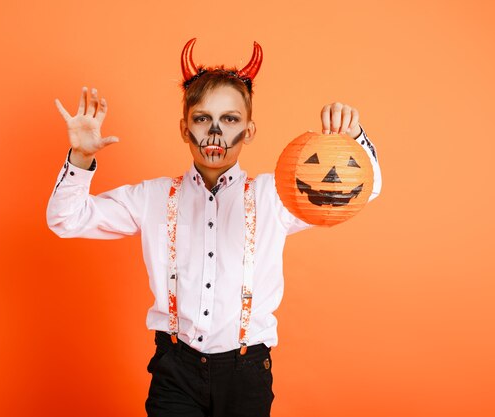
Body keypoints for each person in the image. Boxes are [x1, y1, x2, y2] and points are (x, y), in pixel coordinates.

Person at [47, 38, 382, 417]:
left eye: (230, 119)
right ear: (184, 128)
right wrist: (81, 157)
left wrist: (353, 138)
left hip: (247, 371)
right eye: (203, 118)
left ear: (250, 130)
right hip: (175, 370)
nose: (215, 132)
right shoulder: (152, 197)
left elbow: (363, 192)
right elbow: (66, 218)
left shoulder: (277, 195)